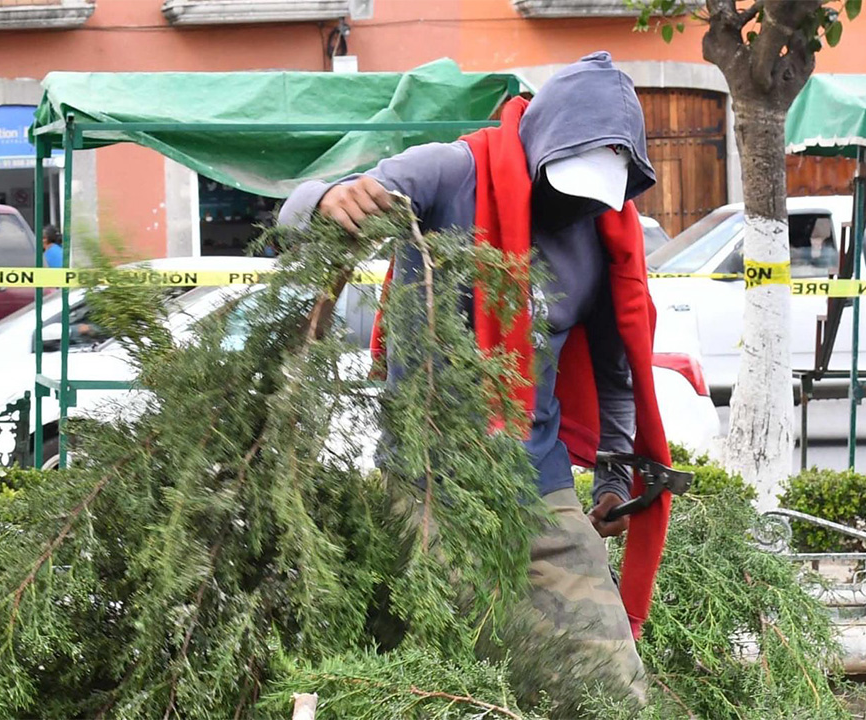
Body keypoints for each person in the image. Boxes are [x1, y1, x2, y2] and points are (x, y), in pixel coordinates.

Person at [279, 51, 675, 700]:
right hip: (430, 481)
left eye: (594, 194)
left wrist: (611, 476)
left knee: (614, 686)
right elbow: (298, 216)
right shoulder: (450, 173)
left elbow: (615, 376)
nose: (577, 207)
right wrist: (329, 200)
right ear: (540, 149)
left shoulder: (605, 232)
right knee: (473, 676)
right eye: (567, 186)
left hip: (538, 482)